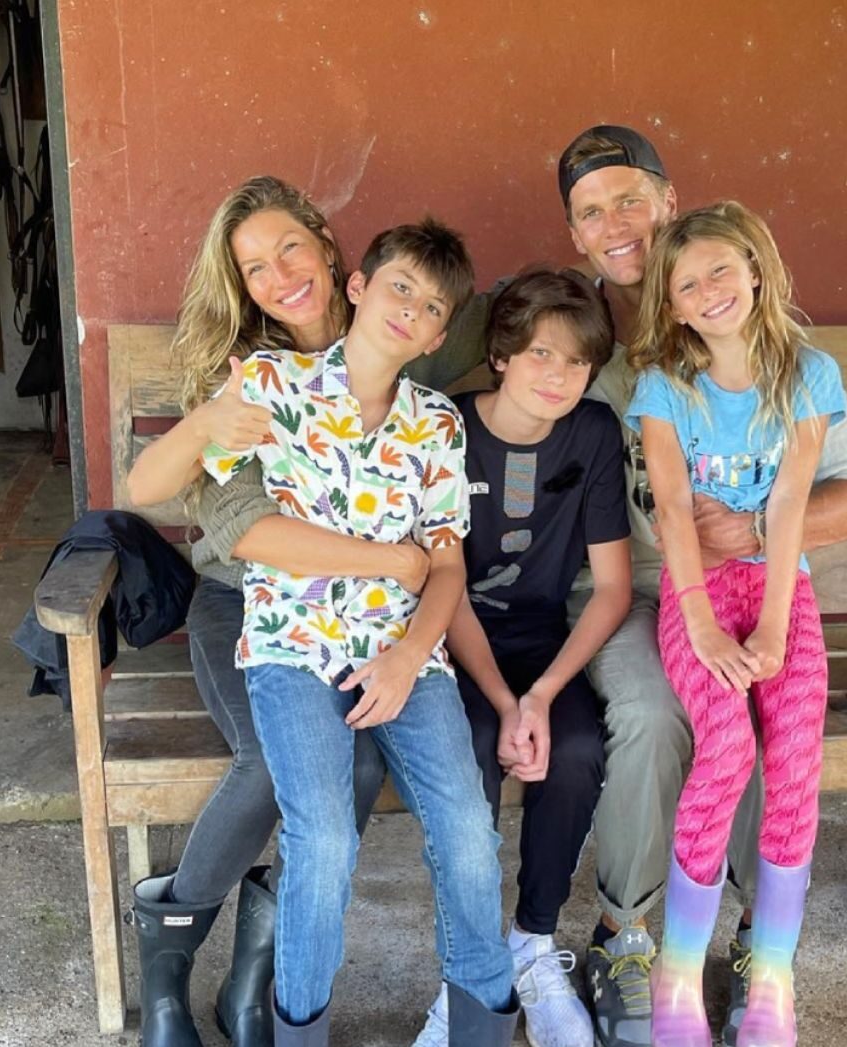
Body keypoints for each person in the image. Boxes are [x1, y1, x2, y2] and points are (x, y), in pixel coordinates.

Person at [419, 126, 847, 1047]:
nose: (614, 224)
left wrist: (761, 531)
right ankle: (625, 934)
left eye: (628, 199)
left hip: (747, 586)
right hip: (616, 593)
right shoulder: (574, 339)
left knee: (771, 711)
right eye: (589, 211)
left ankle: (764, 943)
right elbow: (431, 367)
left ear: (669, 200)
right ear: (573, 234)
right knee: (652, 713)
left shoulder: (752, 338)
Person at [199, 219, 518, 1045]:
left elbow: (444, 566)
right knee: (325, 839)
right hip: (291, 649)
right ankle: (298, 1027)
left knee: (469, 832)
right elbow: (232, 520)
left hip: (404, 655)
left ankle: (480, 1025)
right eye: (398, 286)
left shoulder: (438, 425)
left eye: (430, 306)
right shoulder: (272, 383)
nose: (408, 309)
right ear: (358, 288)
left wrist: (411, 657)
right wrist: (386, 560)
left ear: (441, 335)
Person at [124, 175, 406, 1047]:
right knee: (270, 764)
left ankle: (252, 984)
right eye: (254, 267)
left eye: (290, 247)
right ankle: (167, 959)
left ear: (327, 243)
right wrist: (208, 417)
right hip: (241, 607)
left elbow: (471, 303)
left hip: (355, 620)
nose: (280, 274)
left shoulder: (390, 333)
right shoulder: (247, 380)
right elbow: (203, 516)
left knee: (357, 770)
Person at [626, 201, 839, 1046]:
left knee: (793, 745)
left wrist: (777, 627)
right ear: (671, 305)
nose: (709, 289)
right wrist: (705, 625)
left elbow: (789, 503)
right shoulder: (662, 388)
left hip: (781, 585)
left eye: (722, 268)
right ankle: (678, 974)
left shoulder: (809, 376)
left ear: (757, 270)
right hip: (696, 594)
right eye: (687, 282)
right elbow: (673, 510)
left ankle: (772, 979)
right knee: (726, 742)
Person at [411, 269, 631, 1047]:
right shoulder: (442, 427)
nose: (558, 376)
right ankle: (467, 970)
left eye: (576, 362)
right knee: (468, 750)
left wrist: (538, 696)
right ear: (501, 353)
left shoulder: (594, 432)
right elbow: (447, 586)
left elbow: (609, 589)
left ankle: (531, 944)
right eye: (540, 352)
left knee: (573, 748)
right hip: (449, 642)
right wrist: (505, 703)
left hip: (543, 643)